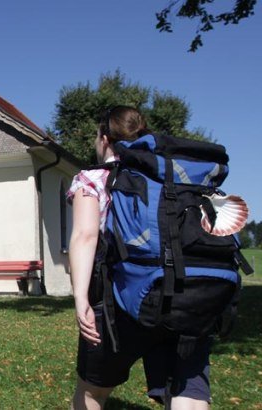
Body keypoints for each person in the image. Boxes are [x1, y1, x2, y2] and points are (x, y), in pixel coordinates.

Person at [67, 106, 213, 410]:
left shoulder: (93, 178)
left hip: (121, 302)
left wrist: (81, 298)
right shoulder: (179, 176)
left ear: (104, 138)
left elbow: (85, 236)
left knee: (92, 391)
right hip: (191, 295)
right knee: (188, 391)